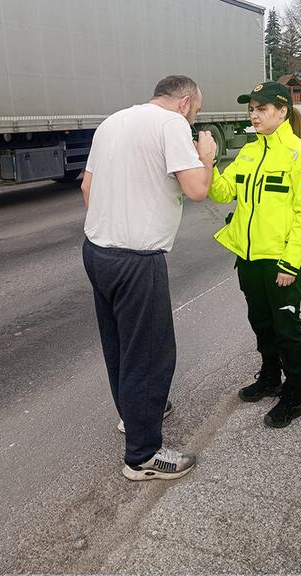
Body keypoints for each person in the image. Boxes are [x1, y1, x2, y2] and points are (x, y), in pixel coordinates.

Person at [80, 75, 217, 481]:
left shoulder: (112, 122)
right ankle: (142, 456)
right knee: (150, 353)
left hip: (97, 251)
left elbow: (87, 187)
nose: (195, 118)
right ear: (185, 102)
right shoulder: (172, 124)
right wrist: (207, 156)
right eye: (196, 111)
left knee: (120, 345)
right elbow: (197, 189)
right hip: (137, 260)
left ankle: (134, 415)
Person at [208, 81, 301, 428]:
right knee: (261, 323)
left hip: (281, 263)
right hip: (249, 259)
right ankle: (271, 377)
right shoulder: (248, 153)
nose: (254, 115)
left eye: (261, 109)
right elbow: (222, 192)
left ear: (282, 111)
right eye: (251, 109)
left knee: (286, 329)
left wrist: (290, 263)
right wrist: (208, 162)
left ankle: (293, 395)